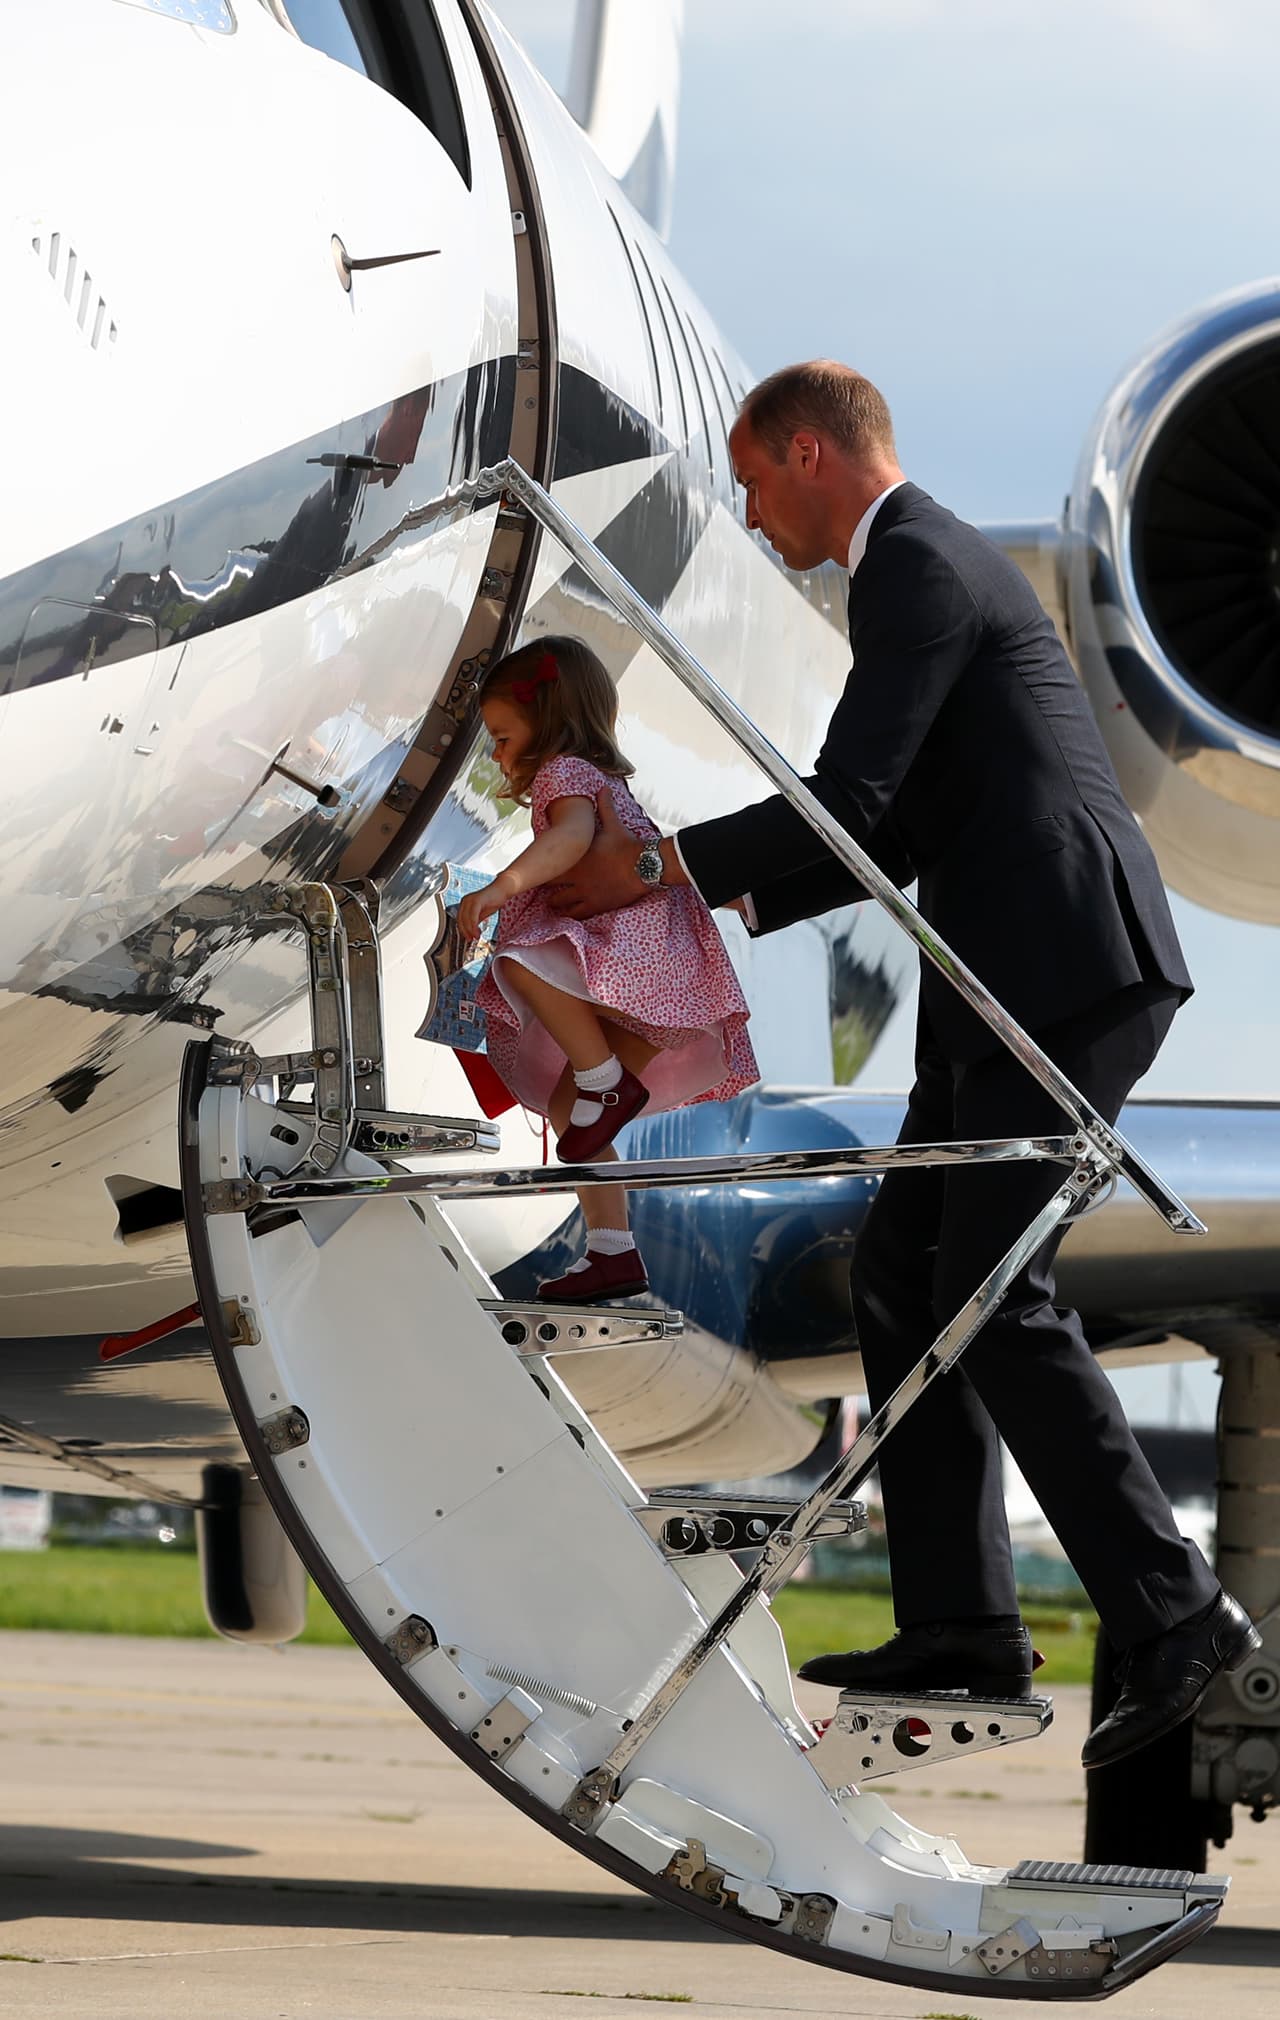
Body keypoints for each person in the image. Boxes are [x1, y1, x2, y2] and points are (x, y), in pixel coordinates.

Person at [546, 361, 1260, 1768]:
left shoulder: (923, 565)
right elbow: (903, 832)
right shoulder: (919, 575)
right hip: (1001, 981)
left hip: (1067, 972)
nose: (751, 518)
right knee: (901, 1277)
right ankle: (963, 1626)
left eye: (753, 483)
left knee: (995, 1296)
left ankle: (1181, 1624)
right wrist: (702, 897)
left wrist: (660, 870)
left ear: (812, 453)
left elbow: (856, 805)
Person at [457, 635, 758, 1305]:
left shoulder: (566, 775)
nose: (497, 754)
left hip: (639, 963)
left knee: (519, 962)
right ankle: (612, 1254)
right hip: (664, 979)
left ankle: (607, 1079)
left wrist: (501, 889)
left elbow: (566, 842)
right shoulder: (606, 782)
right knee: (571, 1113)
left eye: (503, 736)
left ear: (550, 720)